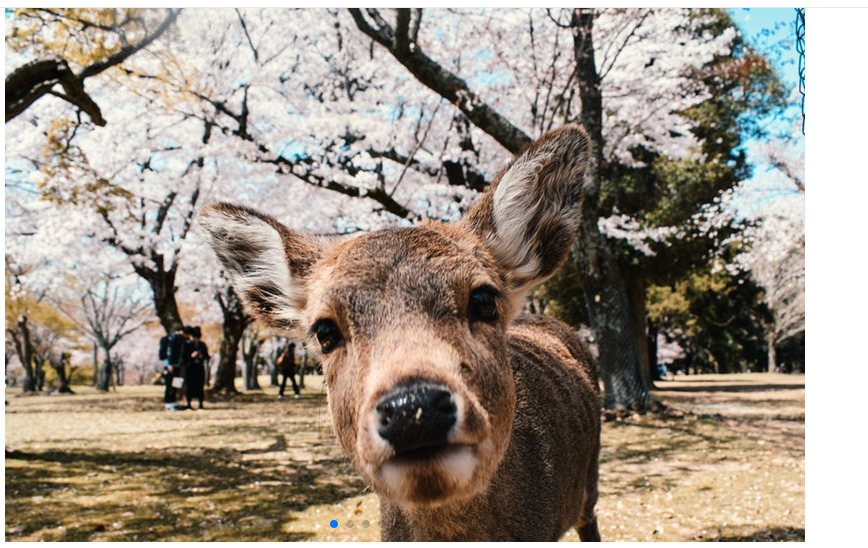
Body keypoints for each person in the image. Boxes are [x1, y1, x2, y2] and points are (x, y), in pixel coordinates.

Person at [162, 324, 191, 411]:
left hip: (178, 366)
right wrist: (169, 364)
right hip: (171, 366)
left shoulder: (182, 341)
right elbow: (169, 353)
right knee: (169, 385)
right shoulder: (172, 339)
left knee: (176, 385)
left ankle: (173, 403)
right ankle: (168, 404)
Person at [183, 326, 209, 410]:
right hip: (190, 367)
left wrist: (201, 356)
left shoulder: (202, 345)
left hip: (199, 367)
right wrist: (191, 356)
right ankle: (188, 403)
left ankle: (200, 403)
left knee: (200, 386)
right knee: (189, 385)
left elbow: (207, 356)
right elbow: (184, 357)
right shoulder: (187, 344)